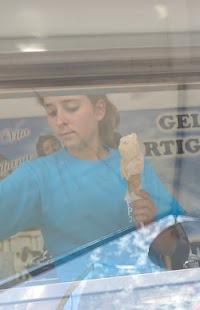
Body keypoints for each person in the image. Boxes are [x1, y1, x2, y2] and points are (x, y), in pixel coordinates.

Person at [0, 94, 184, 282]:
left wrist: (151, 223)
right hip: (85, 298)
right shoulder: (39, 176)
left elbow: (173, 248)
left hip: (142, 295)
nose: (60, 120)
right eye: (51, 112)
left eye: (71, 107)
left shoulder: (134, 166)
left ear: (99, 110)